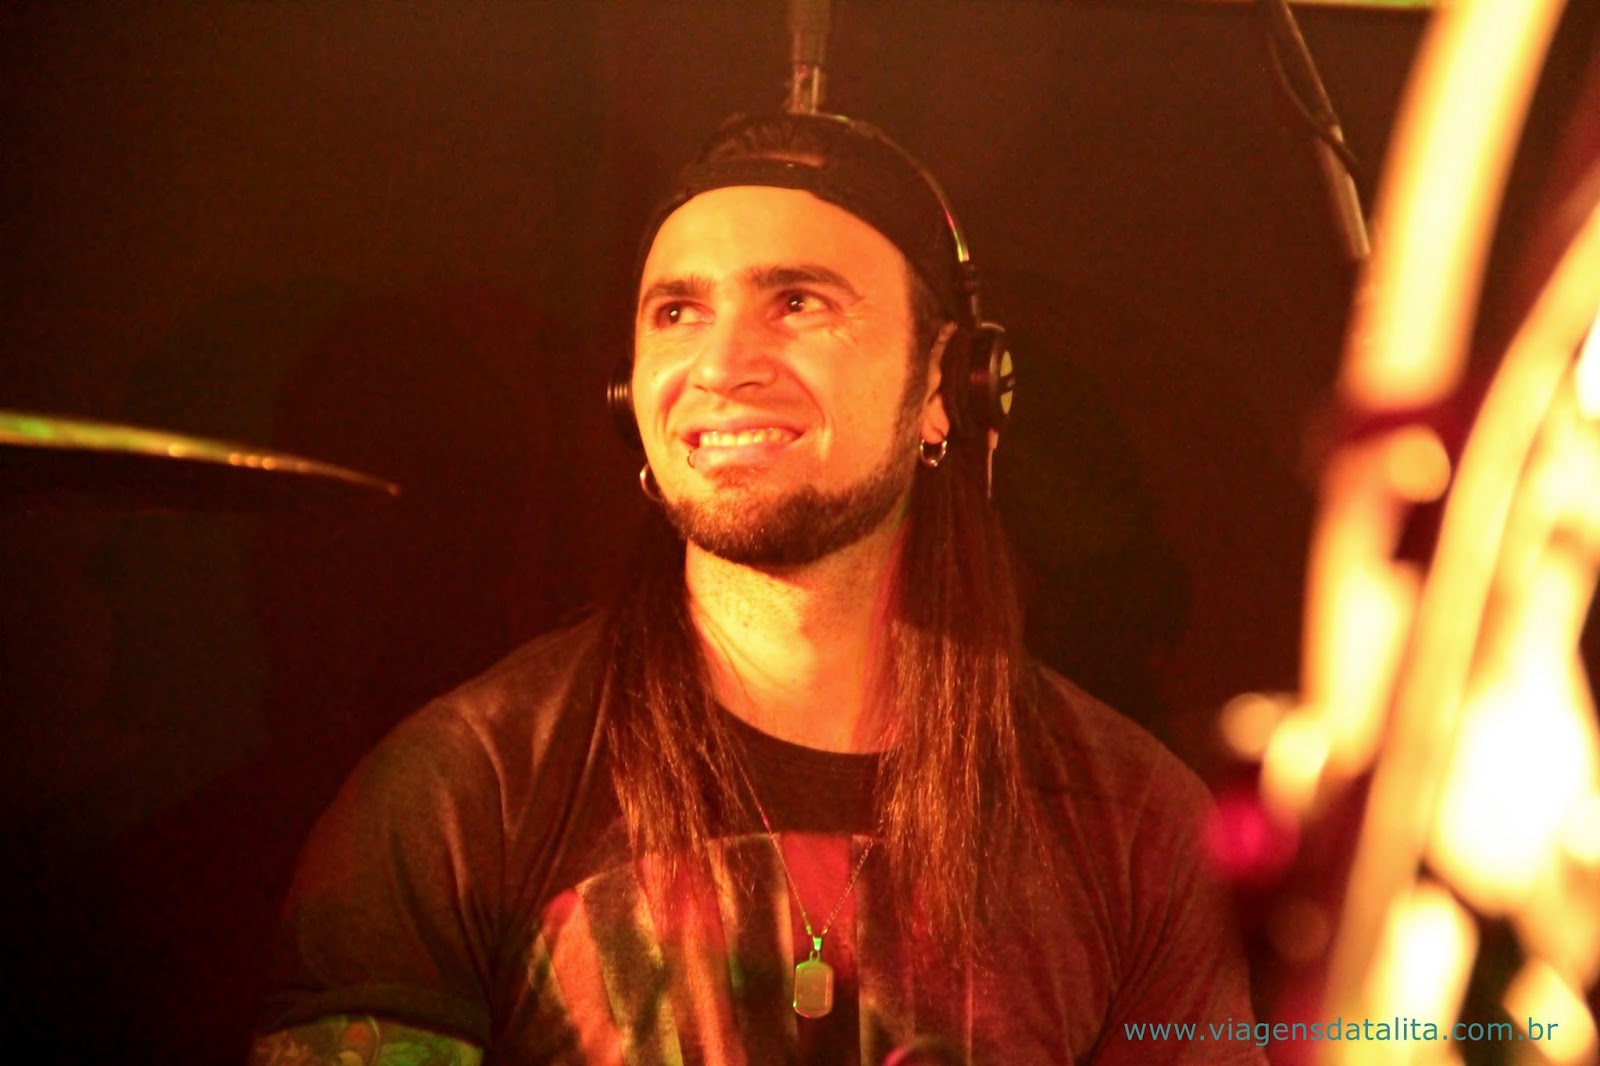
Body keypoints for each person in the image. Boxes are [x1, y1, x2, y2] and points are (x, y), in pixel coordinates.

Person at [251, 110, 1264, 1065]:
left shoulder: (1134, 825)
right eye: (678, 312)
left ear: (942, 385)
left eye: (798, 302)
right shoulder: (462, 793)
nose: (722, 364)